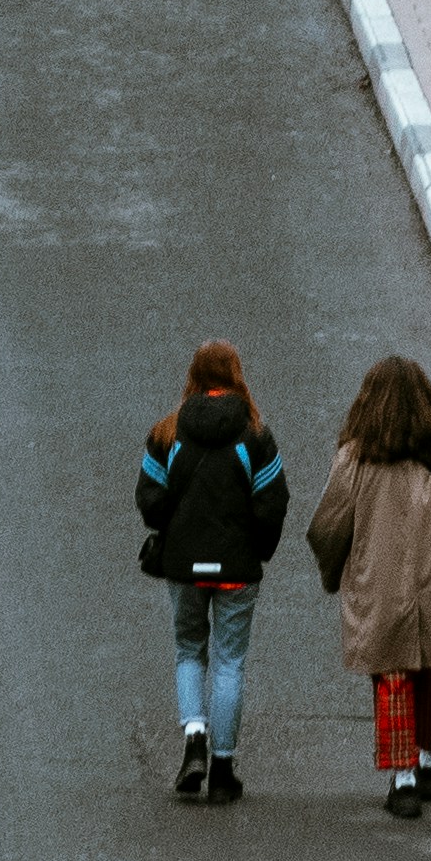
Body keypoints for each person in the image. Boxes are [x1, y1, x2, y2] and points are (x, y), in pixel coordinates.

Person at [307, 353, 431, 815]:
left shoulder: (356, 457)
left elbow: (329, 526)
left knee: (392, 674)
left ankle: (402, 781)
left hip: (377, 580)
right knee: (430, 664)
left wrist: (334, 572)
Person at [136, 340, 288, 802]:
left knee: (189, 649)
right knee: (229, 660)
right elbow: (273, 502)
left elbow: (149, 498)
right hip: (236, 571)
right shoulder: (256, 435)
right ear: (236, 376)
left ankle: (194, 737)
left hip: (184, 568)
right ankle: (223, 769)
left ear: (194, 377)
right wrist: (256, 552)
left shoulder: (167, 433)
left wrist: (175, 534)